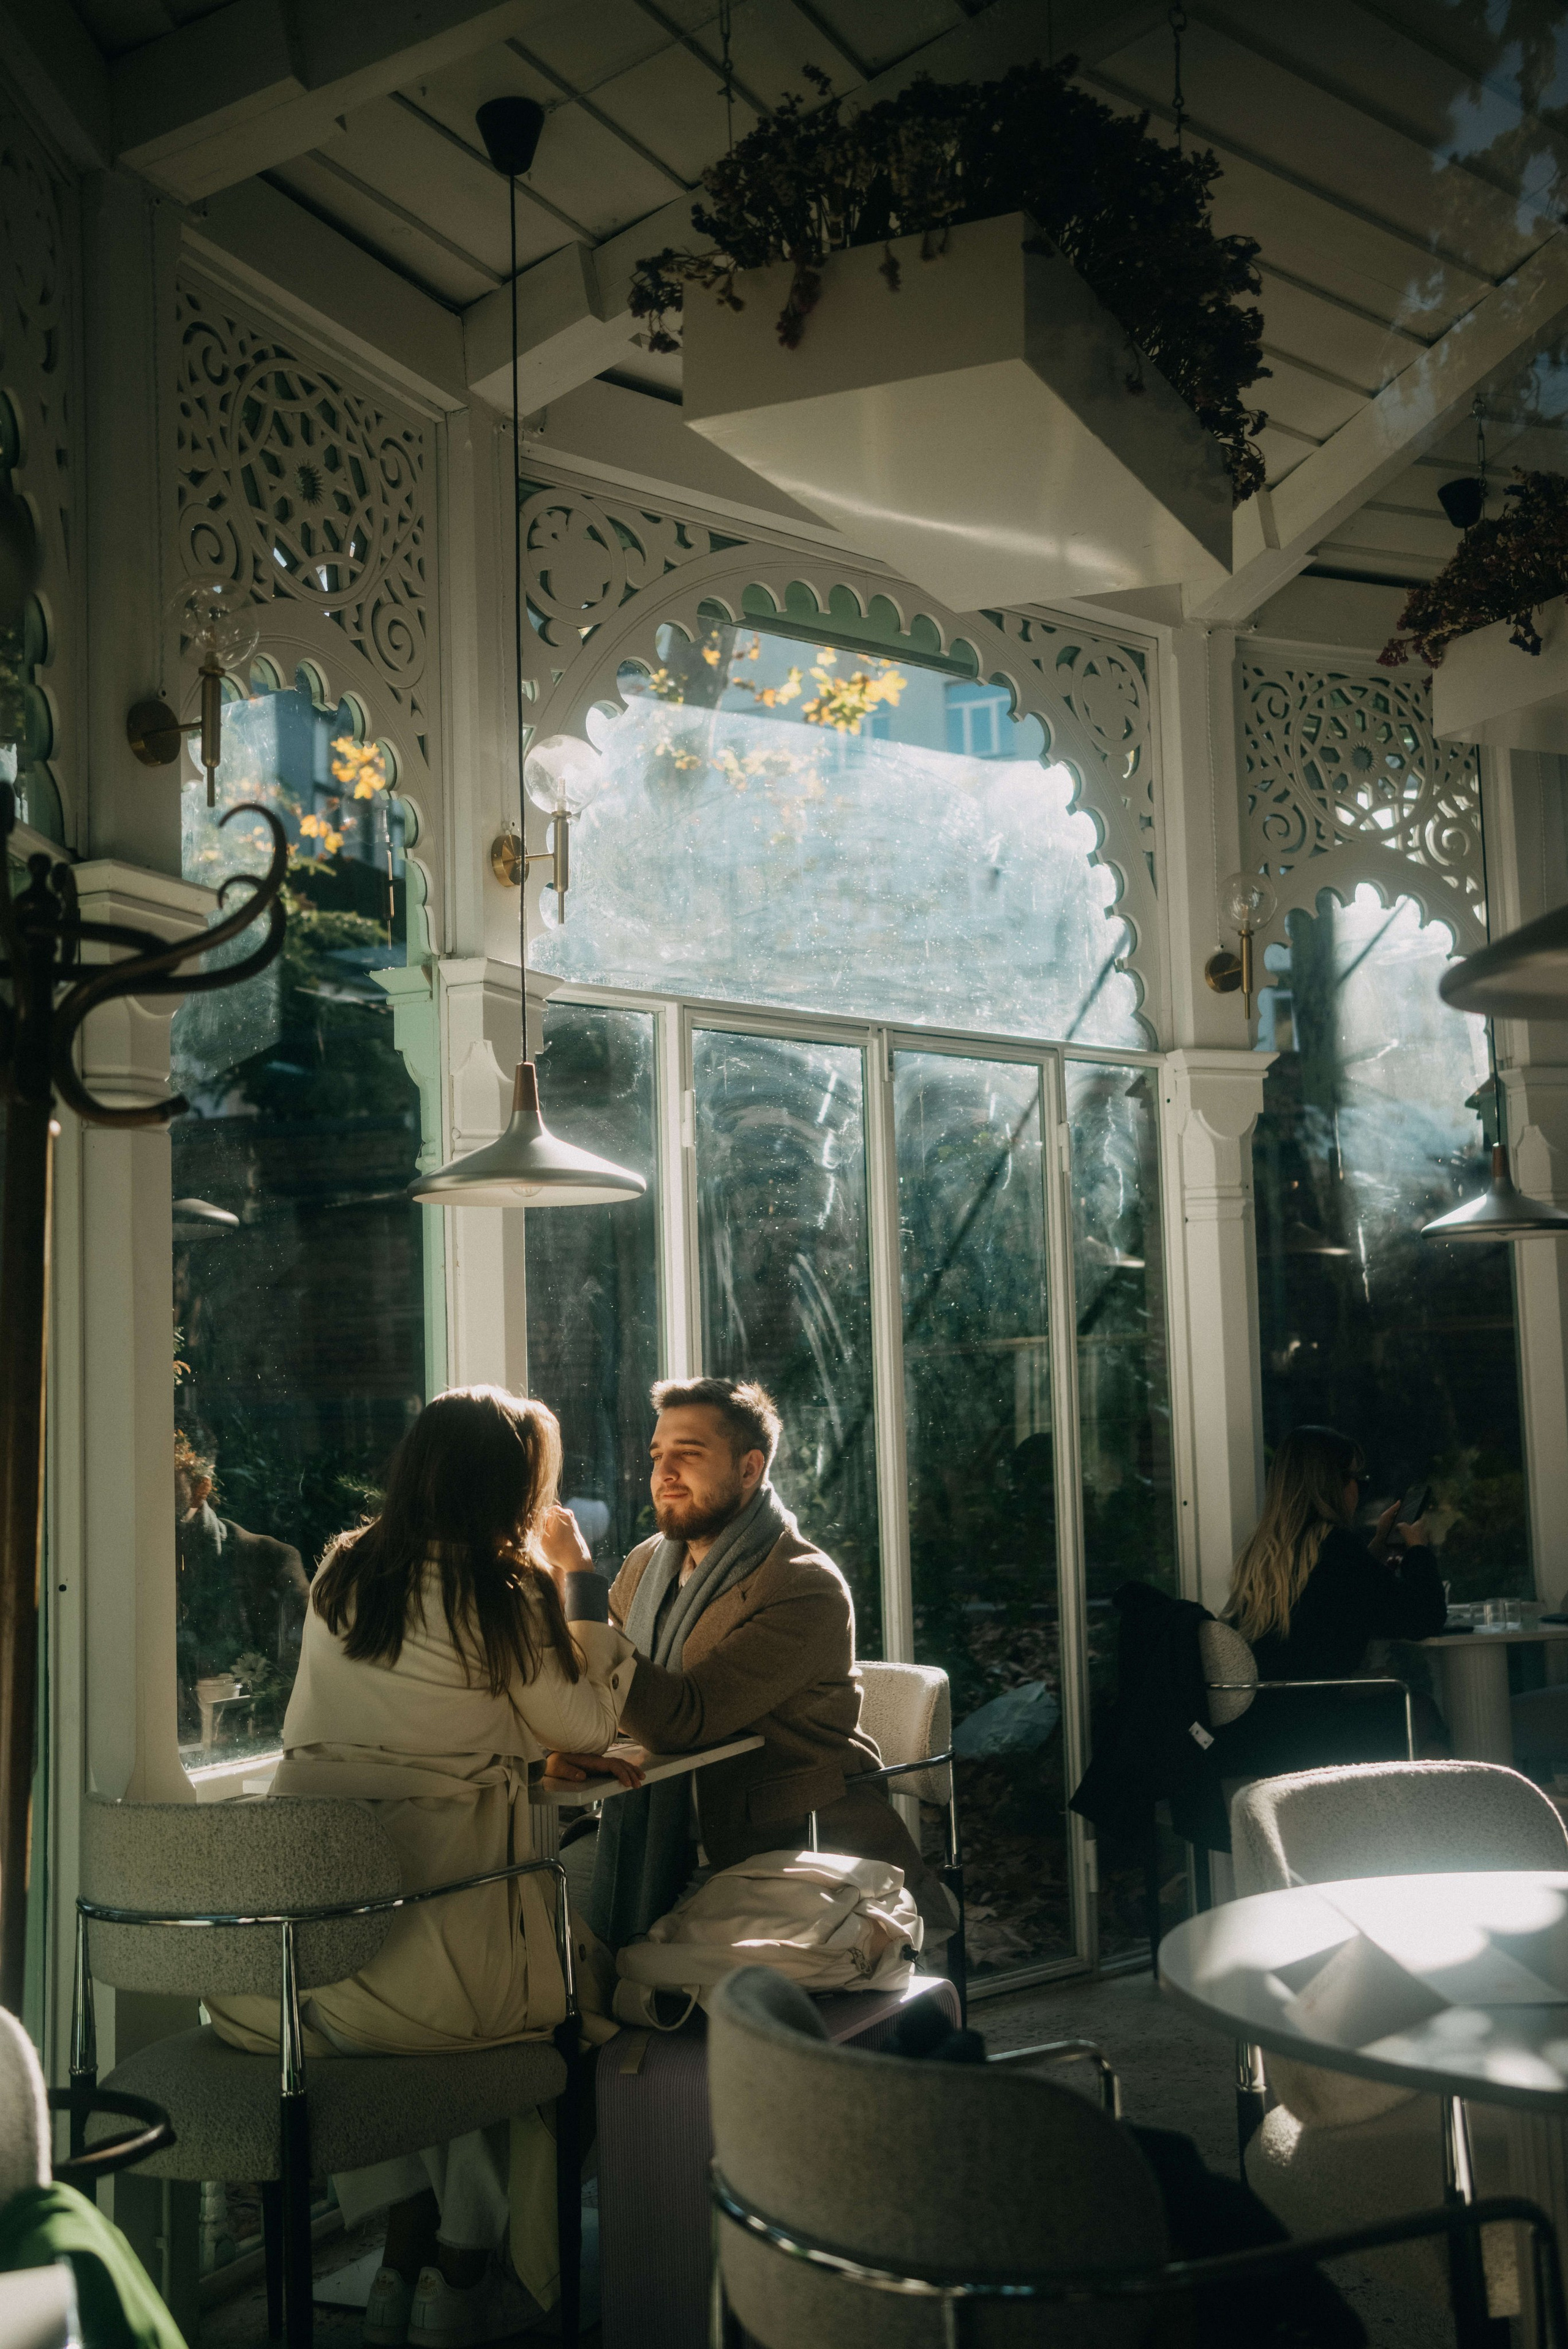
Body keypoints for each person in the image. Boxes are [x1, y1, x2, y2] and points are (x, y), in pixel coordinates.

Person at [205, 1386, 640, 2349]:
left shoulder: (345, 1572)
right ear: (514, 1486)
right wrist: (573, 1575)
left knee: (439, 2033)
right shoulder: (507, 1586)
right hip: (448, 1953)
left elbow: (408, 1724)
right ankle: (464, 2266)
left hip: (303, 1964)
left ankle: (407, 2258)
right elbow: (587, 1722)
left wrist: (509, 1754)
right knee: (577, 2019)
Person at [556, 1376, 952, 1949]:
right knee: (537, 1927)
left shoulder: (804, 1585)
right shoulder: (647, 1565)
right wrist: (570, 1747)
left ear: (749, 1468)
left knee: (614, 1964)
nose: (664, 1473)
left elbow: (682, 1719)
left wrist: (579, 1588)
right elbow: (608, 1692)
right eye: (658, 1455)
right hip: (645, 1829)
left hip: (774, 1841)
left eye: (689, 1455)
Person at [1219, 1423, 1446, 1778]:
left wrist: (1373, 1548)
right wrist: (1417, 1547)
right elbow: (1424, 1618)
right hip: (1309, 1733)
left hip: (1252, 1732)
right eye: (1358, 1478)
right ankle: (1440, 1822)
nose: (1360, 1488)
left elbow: (1329, 1605)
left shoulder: (1263, 1553)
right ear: (1335, 1485)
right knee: (1421, 1712)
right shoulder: (1336, 1550)